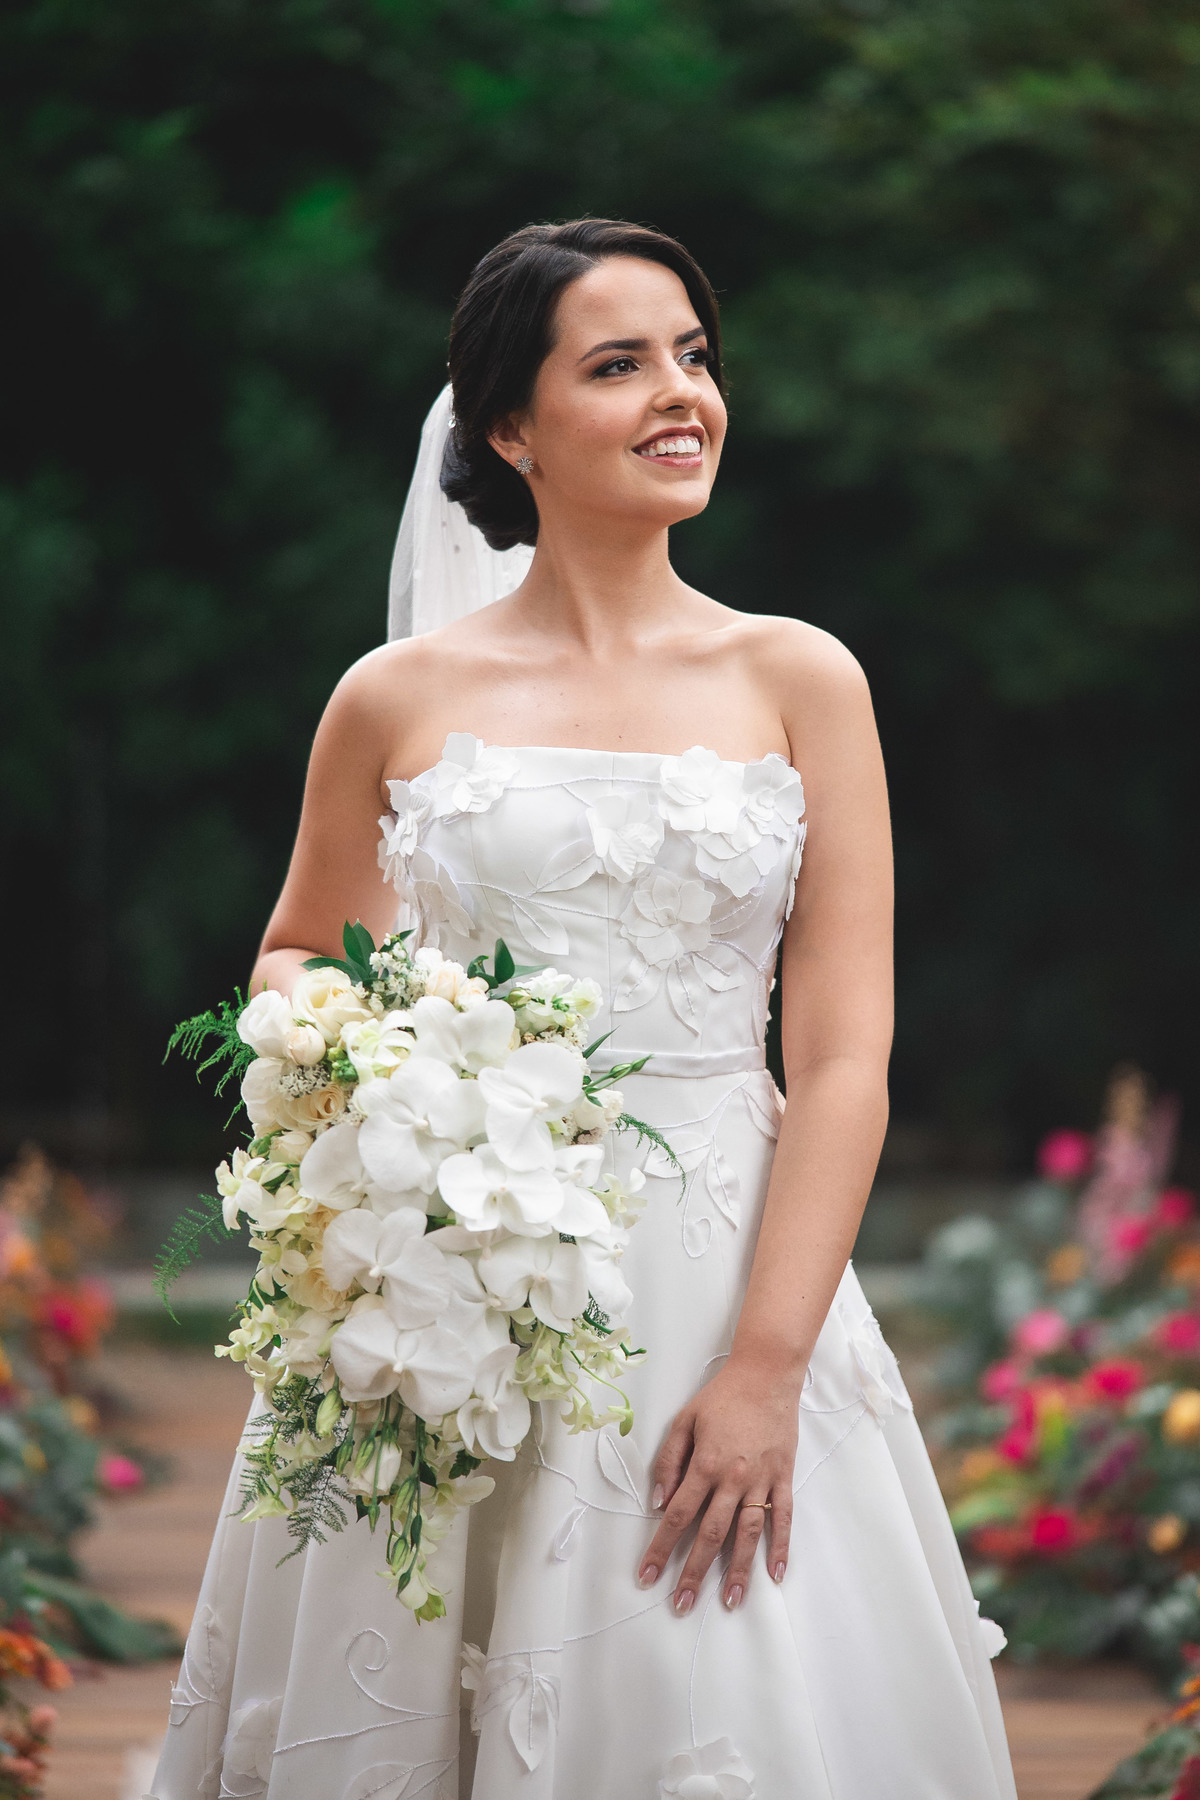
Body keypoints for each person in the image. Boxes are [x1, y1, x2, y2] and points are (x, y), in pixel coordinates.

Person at [151, 218, 1016, 1800]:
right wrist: (395, 1094)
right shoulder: (395, 698)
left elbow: (841, 1056)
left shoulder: (800, 678)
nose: (682, 394)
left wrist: (764, 1367)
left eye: (694, 355)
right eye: (619, 365)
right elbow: (300, 955)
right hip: (450, 1279)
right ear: (510, 427)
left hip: (721, 1265)